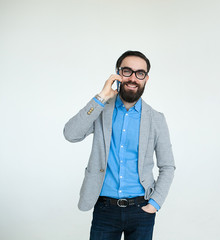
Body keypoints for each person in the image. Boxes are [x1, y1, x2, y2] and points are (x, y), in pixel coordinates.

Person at [63, 50, 175, 240]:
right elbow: (71, 134)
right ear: (117, 73)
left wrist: (155, 203)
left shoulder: (156, 119)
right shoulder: (101, 110)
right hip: (105, 208)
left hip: (142, 209)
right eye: (127, 71)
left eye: (140, 73)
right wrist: (101, 97)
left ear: (146, 78)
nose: (133, 78)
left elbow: (168, 166)